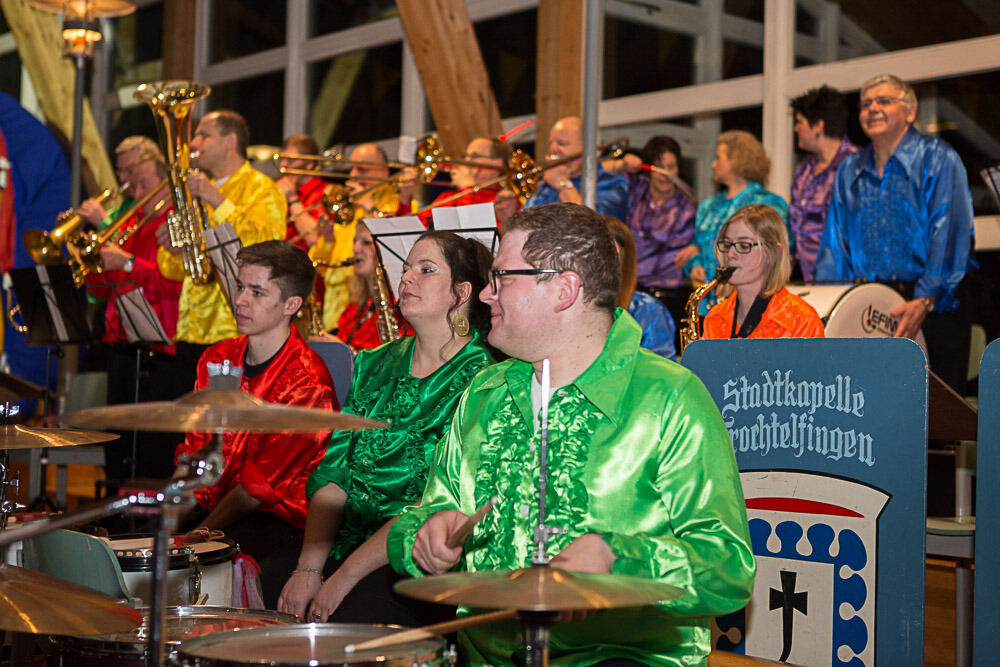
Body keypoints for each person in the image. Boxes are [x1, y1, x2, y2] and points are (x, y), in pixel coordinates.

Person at [387, 203, 754, 666]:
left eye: (501, 278)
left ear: (563, 289)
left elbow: (727, 570)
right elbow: (421, 516)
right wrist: (424, 536)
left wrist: (616, 560)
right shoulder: (485, 391)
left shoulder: (669, 398)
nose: (484, 295)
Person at [277, 231, 495, 625]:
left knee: (354, 617)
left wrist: (342, 579)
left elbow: (436, 501)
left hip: (416, 560)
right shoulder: (374, 363)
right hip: (346, 546)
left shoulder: (483, 378)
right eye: (406, 267)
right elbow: (334, 472)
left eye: (425, 270)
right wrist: (308, 570)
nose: (406, 277)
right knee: (260, 593)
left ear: (461, 293)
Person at [174, 240, 336, 609]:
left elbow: (256, 488)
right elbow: (197, 451)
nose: (240, 300)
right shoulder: (218, 358)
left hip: (273, 523)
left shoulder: (307, 382)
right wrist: (171, 517)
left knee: (202, 577)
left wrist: (197, 536)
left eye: (257, 292)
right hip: (217, 507)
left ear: (291, 306)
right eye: (240, 287)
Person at [816, 74, 975, 392]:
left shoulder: (938, 157)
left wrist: (924, 299)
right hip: (871, 307)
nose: (872, 108)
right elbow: (836, 244)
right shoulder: (849, 169)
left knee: (935, 421)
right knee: (871, 407)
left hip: (936, 306)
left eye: (883, 101)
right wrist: (830, 304)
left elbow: (950, 232)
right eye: (865, 104)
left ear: (910, 111)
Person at [155, 109, 287, 387]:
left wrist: (217, 199)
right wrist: (174, 250)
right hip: (190, 331)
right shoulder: (196, 193)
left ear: (229, 141)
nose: (194, 144)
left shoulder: (262, 188)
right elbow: (175, 272)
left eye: (203, 136)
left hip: (232, 330)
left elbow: (269, 245)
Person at [85, 155, 184, 487]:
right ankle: (115, 507)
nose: (137, 193)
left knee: (152, 446)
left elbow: (173, 284)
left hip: (160, 342)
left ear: (166, 188)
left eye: (146, 185)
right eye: (135, 185)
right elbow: (99, 290)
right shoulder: (132, 226)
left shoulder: (172, 224)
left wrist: (128, 263)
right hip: (120, 339)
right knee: (118, 437)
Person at [308, 143, 414, 331]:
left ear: (383, 172)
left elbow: (399, 249)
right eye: (352, 168)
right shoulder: (346, 209)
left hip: (375, 311)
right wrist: (327, 240)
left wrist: (369, 206)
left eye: (362, 169)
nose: (353, 175)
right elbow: (324, 269)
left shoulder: (397, 202)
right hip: (336, 314)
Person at [681, 131, 789, 288]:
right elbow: (695, 247)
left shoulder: (768, 204)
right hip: (708, 301)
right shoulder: (708, 206)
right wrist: (695, 264)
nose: (713, 164)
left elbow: (776, 254)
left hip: (748, 296)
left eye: (718, 158)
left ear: (736, 160)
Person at [703, 204, 824, 339]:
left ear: (774, 252)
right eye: (726, 245)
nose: (730, 254)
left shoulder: (802, 320)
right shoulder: (714, 319)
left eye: (744, 245)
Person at [789, 86, 858, 282]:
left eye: (799, 122)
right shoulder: (804, 169)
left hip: (845, 280)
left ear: (818, 125)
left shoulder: (855, 164)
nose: (796, 128)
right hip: (807, 278)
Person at [523, 116, 628, 219]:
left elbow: (593, 226)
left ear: (585, 149)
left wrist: (562, 184)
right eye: (551, 143)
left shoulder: (613, 184)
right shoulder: (544, 187)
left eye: (561, 143)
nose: (552, 149)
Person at [605, 216, 677, 360]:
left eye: (608, 249)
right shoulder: (577, 306)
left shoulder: (647, 309)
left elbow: (660, 371)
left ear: (624, 257)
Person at [334, 222, 413, 350]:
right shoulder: (354, 307)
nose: (355, 249)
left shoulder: (401, 304)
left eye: (366, 242)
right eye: (355, 241)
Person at [417, 136, 515, 227]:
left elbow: (475, 235)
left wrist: (467, 188)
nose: (466, 161)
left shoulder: (505, 200)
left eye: (474, 156)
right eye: (466, 156)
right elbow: (417, 227)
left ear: (497, 163)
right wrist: (405, 198)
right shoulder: (448, 197)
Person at [77, 135, 163, 230]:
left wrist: (102, 223)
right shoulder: (127, 204)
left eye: (128, 170)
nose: (121, 178)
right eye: (120, 171)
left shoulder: (151, 205)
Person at [276, 134, 327, 250]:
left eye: (290, 160)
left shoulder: (325, 192)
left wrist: (292, 199)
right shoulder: (281, 187)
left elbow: (314, 239)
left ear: (309, 164)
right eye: (282, 159)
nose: (283, 165)